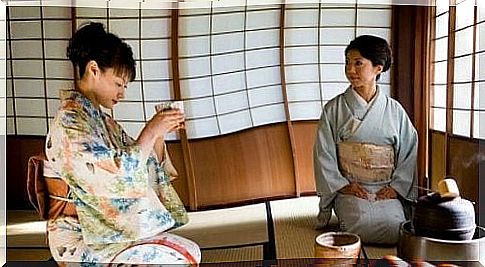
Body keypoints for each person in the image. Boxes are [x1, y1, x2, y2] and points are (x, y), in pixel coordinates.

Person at [44, 22, 201, 265]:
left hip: (105, 231)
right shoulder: (70, 122)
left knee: (188, 251)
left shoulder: (103, 121)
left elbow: (142, 164)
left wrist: (159, 133)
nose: (122, 93)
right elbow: (115, 175)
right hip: (80, 235)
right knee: (177, 258)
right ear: (94, 70)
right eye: (119, 83)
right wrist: (150, 132)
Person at [313, 35, 418, 244]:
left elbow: (409, 151)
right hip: (350, 187)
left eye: (358, 63)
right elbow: (323, 152)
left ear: (378, 68)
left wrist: (396, 187)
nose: (350, 70)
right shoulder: (333, 109)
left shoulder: (395, 111)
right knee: (359, 227)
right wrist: (342, 185)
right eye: (347, 63)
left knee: (398, 229)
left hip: (386, 186)